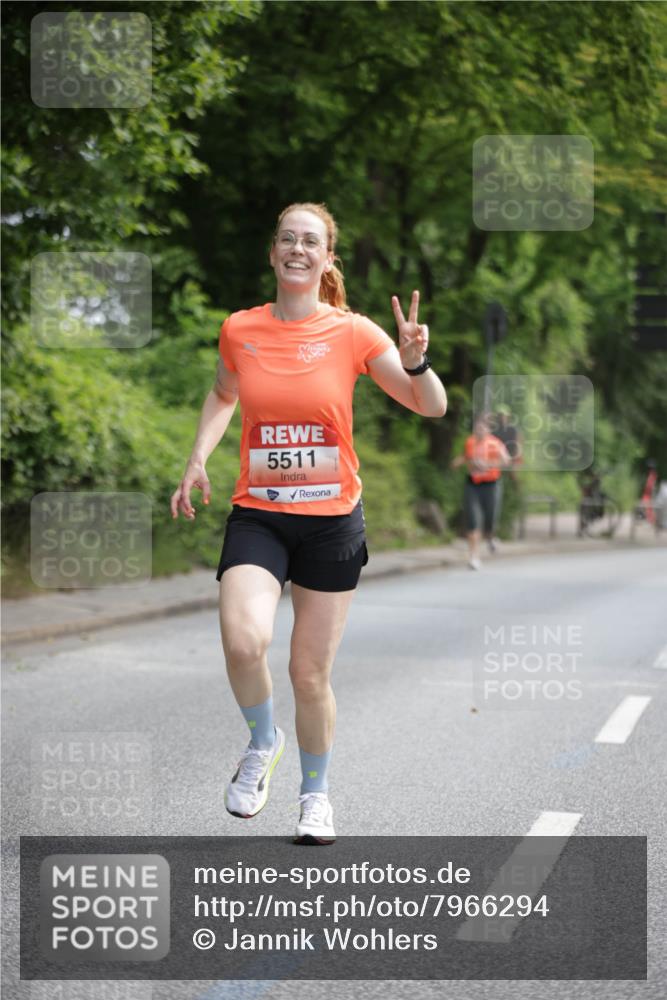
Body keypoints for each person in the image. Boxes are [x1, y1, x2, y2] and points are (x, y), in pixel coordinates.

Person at [171, 202, 447, 845]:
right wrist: (197, 459)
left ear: (327, 261)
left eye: (311, 242)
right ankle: (263, 739)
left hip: (331, 523)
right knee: (244, 642)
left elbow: (428, 407)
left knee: (309, 674)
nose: (298, 249)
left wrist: (413, 361)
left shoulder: (353, 332)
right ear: (273, 253)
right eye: (287, 239)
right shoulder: (240, 329)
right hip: (260, 515)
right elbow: (223, 393)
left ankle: (315, 795)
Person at [450, 413, 511, 569]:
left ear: (488, 429)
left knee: (490, 518)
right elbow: (467, 457)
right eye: (477, 427)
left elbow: (506, 461)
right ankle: (474, 557)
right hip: (473, 485)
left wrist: (488, 463)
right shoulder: (470, 442)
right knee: (473, 520)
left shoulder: (495, 444)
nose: (479, 430)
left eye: (482, 427)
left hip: (491, 485)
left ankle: (491, 537)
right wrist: (458, 462)